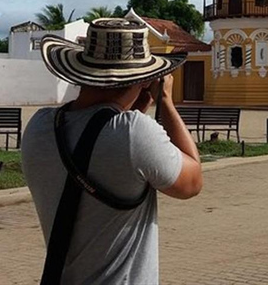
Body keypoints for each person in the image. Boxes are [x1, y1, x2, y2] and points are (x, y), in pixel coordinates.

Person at [22, 18, 203, 284]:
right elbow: (192, 182)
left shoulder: (39, 126)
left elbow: (100, 145)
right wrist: (167, 102)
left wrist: (131, 111)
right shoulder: (133, 132)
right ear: (143, 80)